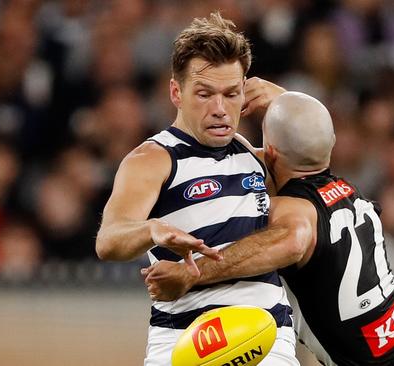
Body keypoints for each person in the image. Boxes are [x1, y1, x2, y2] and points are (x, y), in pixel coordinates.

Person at [143, 92, 394, 366]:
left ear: (273, 153)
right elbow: (309, 131)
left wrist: (190, 273)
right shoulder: (350, 191)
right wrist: (283, 98)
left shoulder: (291, 212)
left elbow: (294, 240)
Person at [95, 12, 299, 366]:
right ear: (176, 92)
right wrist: (151, 229)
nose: (220, 109)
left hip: (267, 338)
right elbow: (109, 241)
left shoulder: (258, 159)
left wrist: (287, 102)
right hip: (184, 338)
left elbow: (323, 170)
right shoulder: (152, 159)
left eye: (231, 94)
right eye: (204, 94)